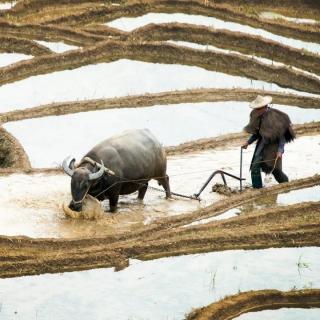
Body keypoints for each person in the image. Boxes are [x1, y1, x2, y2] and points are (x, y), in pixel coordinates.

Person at [242, 95, 295, 188]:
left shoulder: (275, 117)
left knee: (275, 170)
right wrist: (248, 142)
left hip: (273, 147)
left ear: (265, 107)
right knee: (254, 167)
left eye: (259, 108)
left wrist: (280, 150)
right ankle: (257, 188)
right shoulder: (256, 115)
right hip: (261, 145)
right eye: (256, 108)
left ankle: (286, 184)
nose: (257, 110)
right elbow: (257, 133)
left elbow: (281, 137)